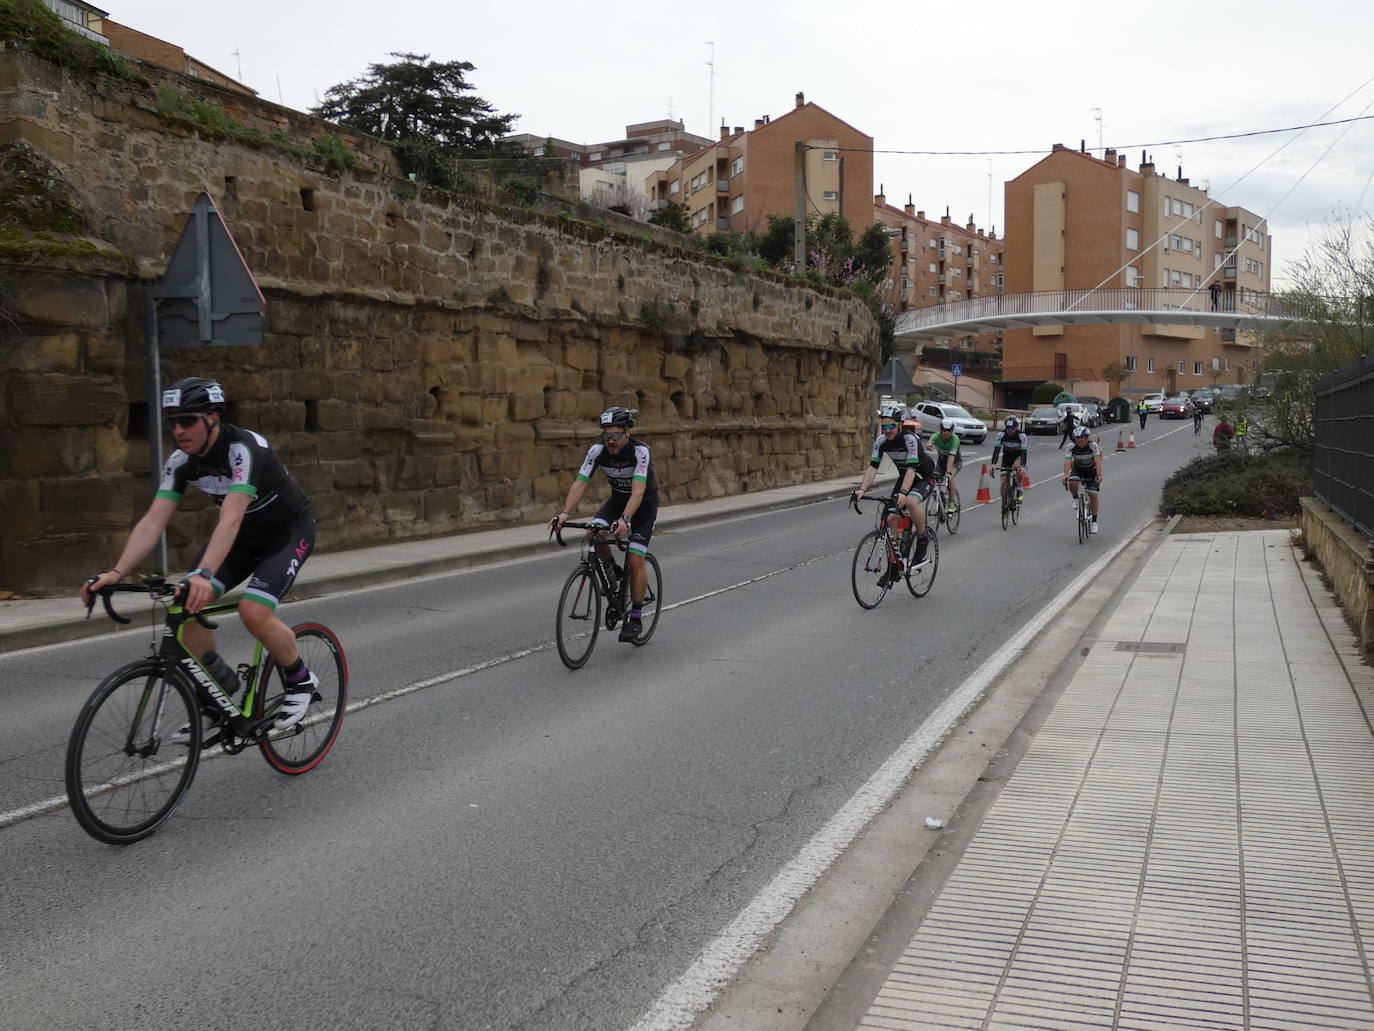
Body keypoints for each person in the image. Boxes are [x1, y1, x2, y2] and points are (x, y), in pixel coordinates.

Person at [79, 377, 319, 731]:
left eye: (187, 420)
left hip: (285, 534)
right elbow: (154, 519)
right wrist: (117, 572)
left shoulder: (243, 449)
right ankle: (218, 693)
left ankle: (300, 680)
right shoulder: (181, 461)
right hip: (240, 541)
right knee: (184, 604)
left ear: (213, 418)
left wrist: (204, 575)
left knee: (253, 612)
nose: (178, 430)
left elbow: (232, 516)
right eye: (172, 422)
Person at [550, 406, 658, 643]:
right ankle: (614, 576)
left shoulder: (640, 452)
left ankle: (636, 617)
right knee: (594, 533)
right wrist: (564, 514)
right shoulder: (597, 451)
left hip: (643, 506)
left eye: (616, 435)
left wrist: (625, 520)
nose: (611, 441)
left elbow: (638, 492)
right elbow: (580, 482)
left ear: (627, 432)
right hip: (618, 500)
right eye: (606, 435)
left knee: (634, 558)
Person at [852, 403, 935, 580]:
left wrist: (904, 493)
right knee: (890, 518)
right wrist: (862, 489)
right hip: (906, 475)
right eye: (884, 426)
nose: (887, 430)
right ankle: (896, 563)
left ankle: (922, 537)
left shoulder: (910, 439)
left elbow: (912, 470)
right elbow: (872, 468)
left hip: (923, 475)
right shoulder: (882, 441)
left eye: (891, 426)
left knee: (911, 502)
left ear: (899, 425)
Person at [1062, 425, 1103, 534]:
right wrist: (1065, 475)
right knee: (1072, 482)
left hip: (1091, 470)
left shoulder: (1093, 445)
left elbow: (1098, 460)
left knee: (1093, 495)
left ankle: (1094, 521)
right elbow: (1067, 461)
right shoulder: (1071, 447)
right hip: (1078, 469)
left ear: (1087, 438)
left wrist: (1099, 474)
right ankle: (1075, 497)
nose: (1080, 440)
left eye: (1082, 438)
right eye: (1077, 438)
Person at [989, 416, 1029, 506]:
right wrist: (993, 464)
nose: (1010, 430)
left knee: (1017, 467)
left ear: (1016, 428)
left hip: (1018, 456)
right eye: (1008, 428)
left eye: (1012, 428)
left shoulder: (1021, 436)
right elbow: (996, 451)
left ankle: (1019, 488)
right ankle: (1004, 503)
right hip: (1007, 457)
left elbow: (1024, 452)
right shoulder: (1001, 435)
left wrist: (1022, 466)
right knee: (1003, 482)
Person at [929, 418, 963, 507]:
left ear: (952, 431)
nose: (946, 433)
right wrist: (929, 445)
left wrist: (948, 472)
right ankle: (941, 499)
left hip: (955, 463)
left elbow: (951, 458)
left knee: (950, 478)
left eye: (948, 430)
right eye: (944, 430)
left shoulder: (955, 440)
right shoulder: (936, 436)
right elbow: (930, 442)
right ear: (940, 430)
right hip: (941, 463)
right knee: (932, 481)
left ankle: (951, 502)